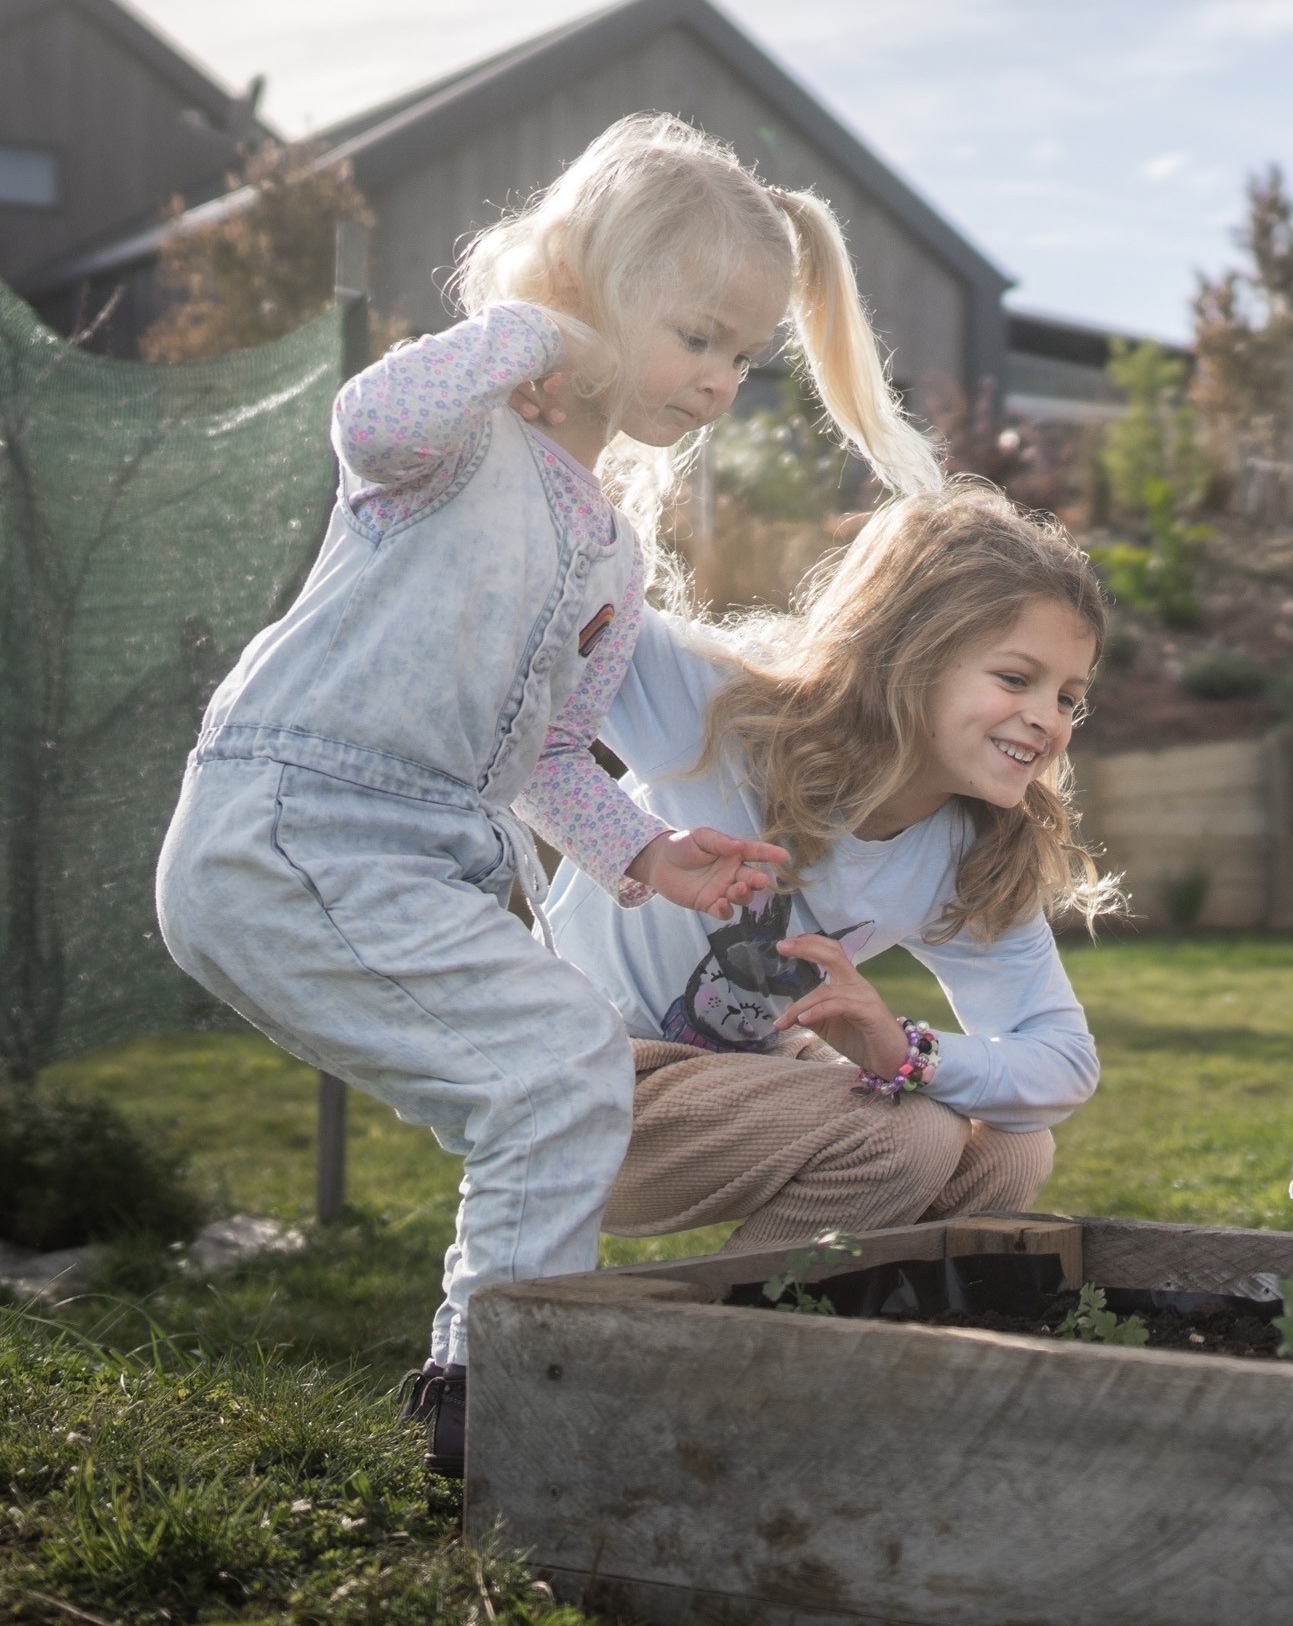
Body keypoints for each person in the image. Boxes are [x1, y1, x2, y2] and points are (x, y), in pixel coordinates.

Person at [154, 112, 938, 1474]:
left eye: (745, 358)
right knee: (560, 1067)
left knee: (555, 1072)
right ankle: (508, 1395)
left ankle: (488, 1389)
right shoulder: (454, 438)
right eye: (697, 336)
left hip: (420, 859)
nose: (718, 382)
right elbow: (367, 417)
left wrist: (650, 853)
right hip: (291, 831)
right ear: (592, 282)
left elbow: (550, 760)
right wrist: (533, 328)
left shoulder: (611, 550)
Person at [542, 483, 1109, 1257]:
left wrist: (906, 1051)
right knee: (905, 1137)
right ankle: (718, 1348)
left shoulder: (968, 849)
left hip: (746, 1080)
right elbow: (555, 609)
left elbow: (1062, 1060)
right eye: (1015, 679)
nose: (1048, 718)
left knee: (1012, 1148)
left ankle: (847, 1338)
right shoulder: (726, 713)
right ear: (911, 653)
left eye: (1069, 697)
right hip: (577, 1072)